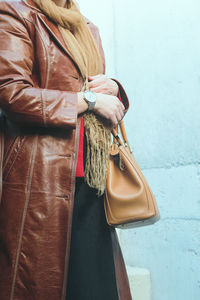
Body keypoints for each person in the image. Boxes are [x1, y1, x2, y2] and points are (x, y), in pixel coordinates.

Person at [0, 0, 132, 299]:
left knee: (98, 287)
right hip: (41, 181)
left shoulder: (87, 27)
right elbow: (11, 93)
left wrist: (112, 88)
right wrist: (89, 100)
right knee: (44, 284)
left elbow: (94, 92)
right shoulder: (15, 13)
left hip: (94, 179)